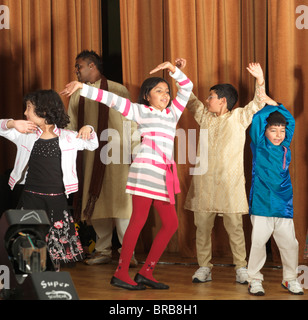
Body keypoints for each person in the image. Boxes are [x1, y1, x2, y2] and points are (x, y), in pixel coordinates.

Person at [62, 59, 193, 290]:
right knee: (138, 221)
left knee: (171, 224)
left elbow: (187, 88)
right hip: (144, 171)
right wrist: (83, 87)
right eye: (158, 90)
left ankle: (146, 271)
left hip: (164, 174)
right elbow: (112, 99)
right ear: (147, 96)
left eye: (166, 91)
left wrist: (174, 70)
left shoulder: (173, 114)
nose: (164, 94)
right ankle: (121, 272)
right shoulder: (141, 111)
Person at [180, 61, 266, 284]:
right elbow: (189, 99)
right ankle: (204, 267)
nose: (207, 100)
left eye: (211, 97)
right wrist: (178, 73)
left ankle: (241, 267)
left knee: (235, 228)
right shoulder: (204, 117)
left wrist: (259, 80)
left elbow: (258, 103)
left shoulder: (239, 117)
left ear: (223, 100)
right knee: (202, 228)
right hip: (205, 183)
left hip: (231, 184)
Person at [0, 89, 98, 268]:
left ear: (43, 111)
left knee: (55, 251)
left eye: (28, 108)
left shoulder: (68, 137)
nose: (25, 113)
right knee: (28, 247)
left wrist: (88, 128)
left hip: (56, 201)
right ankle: (31, 285)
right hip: (30, 199)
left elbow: (93, 143)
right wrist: (13, 124)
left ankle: (50, 284)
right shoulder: (24, 134)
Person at [67, 50, 138, 267]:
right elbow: (70, 125)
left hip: (117, 154)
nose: (76, 71)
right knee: (95, 204)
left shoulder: (117, 90)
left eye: (79, 66)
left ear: (91, 66)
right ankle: (103, 250)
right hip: (89, 157)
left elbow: (131, 121)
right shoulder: (77, 95)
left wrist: (135, 151)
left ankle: (128, 252)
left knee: (122, 204)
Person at [247, 93, 304, 296]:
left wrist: (277, 104)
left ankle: (290, 279)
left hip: (283, 204)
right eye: (274, 130)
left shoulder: (285, 145)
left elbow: (290, 120)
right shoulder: (260, 145)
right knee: (258, 243)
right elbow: (258, 119)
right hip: (262, 203)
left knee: (290, 244)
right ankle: (254, 279)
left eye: (281, 131)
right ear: (265, 132)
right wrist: (269, 107)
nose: (279, 134)